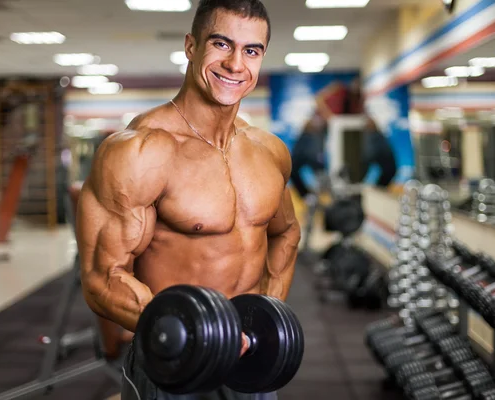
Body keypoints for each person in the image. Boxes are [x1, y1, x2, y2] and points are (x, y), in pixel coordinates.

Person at [76, 1, 301, 399]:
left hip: (250, 361)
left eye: (252, 51)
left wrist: (266, 314)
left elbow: (286, 234)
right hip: (174, 363)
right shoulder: (141, 151)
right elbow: (102, 278)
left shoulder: (270, 151)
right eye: (221, 44)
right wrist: (198, 333)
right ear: (191, 46)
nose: (236, 64)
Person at [290, 110, 328, 203]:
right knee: (292, 168)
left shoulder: (322, 129)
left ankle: (319, 192)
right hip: (305, 153)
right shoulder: (307, 131)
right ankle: (307, 196)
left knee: (318, 168)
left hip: (315, 156)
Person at [361, 115, 397, 187]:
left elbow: (371, 155)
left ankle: (379, 187)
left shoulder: (377, 137)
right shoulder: (372, 137)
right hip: (386, 165)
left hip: (387, 166)